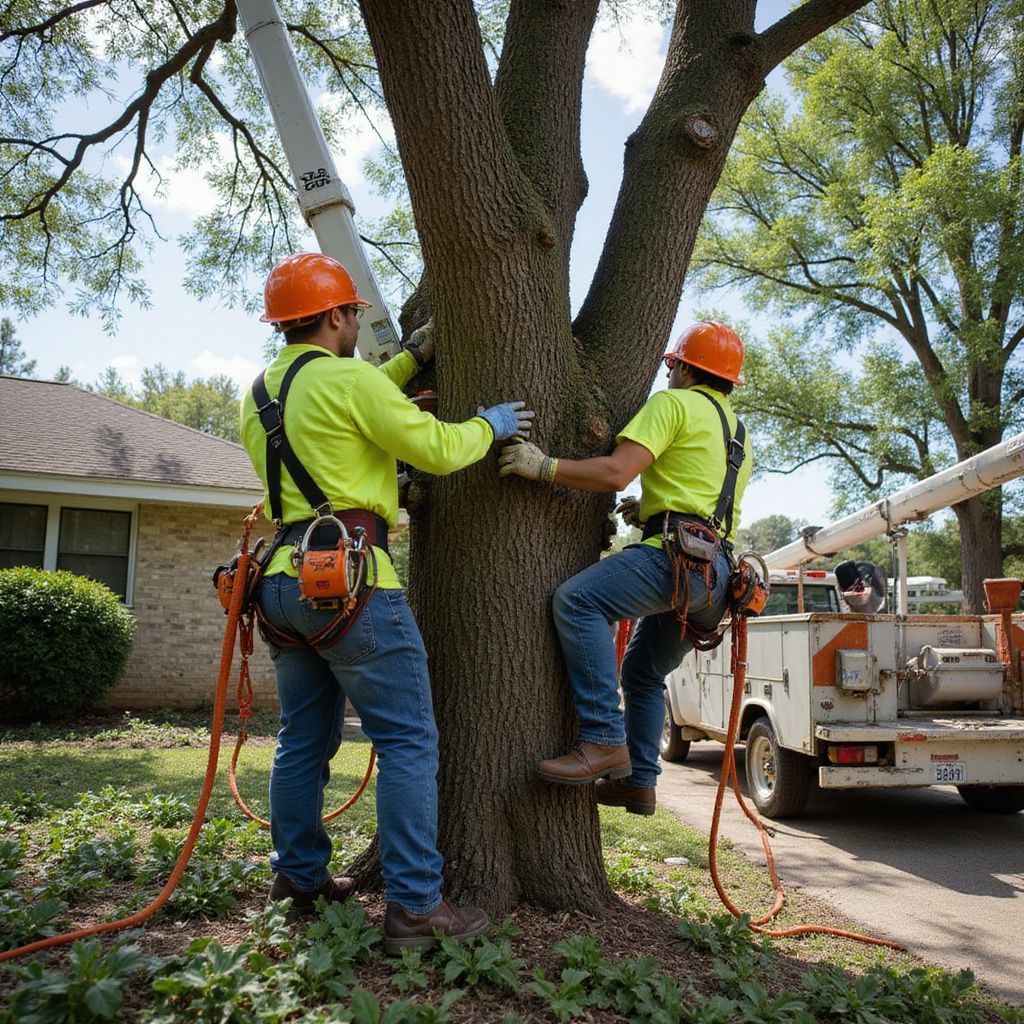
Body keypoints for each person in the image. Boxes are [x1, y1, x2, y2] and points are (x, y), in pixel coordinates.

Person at [240, 252, 533, 952]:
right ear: (337, 314)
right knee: (406, 739)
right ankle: (414, 907)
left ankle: (299, 879)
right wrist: (490, 424)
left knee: (302, 740)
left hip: (281, 583)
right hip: (351, 578)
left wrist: (408, 361)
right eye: (353, 315)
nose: (356, 324)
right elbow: (432, 447)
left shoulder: (260, 392)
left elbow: (355, 397)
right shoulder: (347, 380)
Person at [498, 322, 752, 815]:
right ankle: (639, 780)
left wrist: (542, 465)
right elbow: (707, 502)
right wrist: (653, 509)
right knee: (643, 671)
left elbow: (616, 471)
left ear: (681, 367)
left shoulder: (672, 404)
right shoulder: (737, 432)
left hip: (674, 563)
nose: (668, 373)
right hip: (717, 577)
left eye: (670, 365)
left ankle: (601, 738)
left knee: (577, 601)